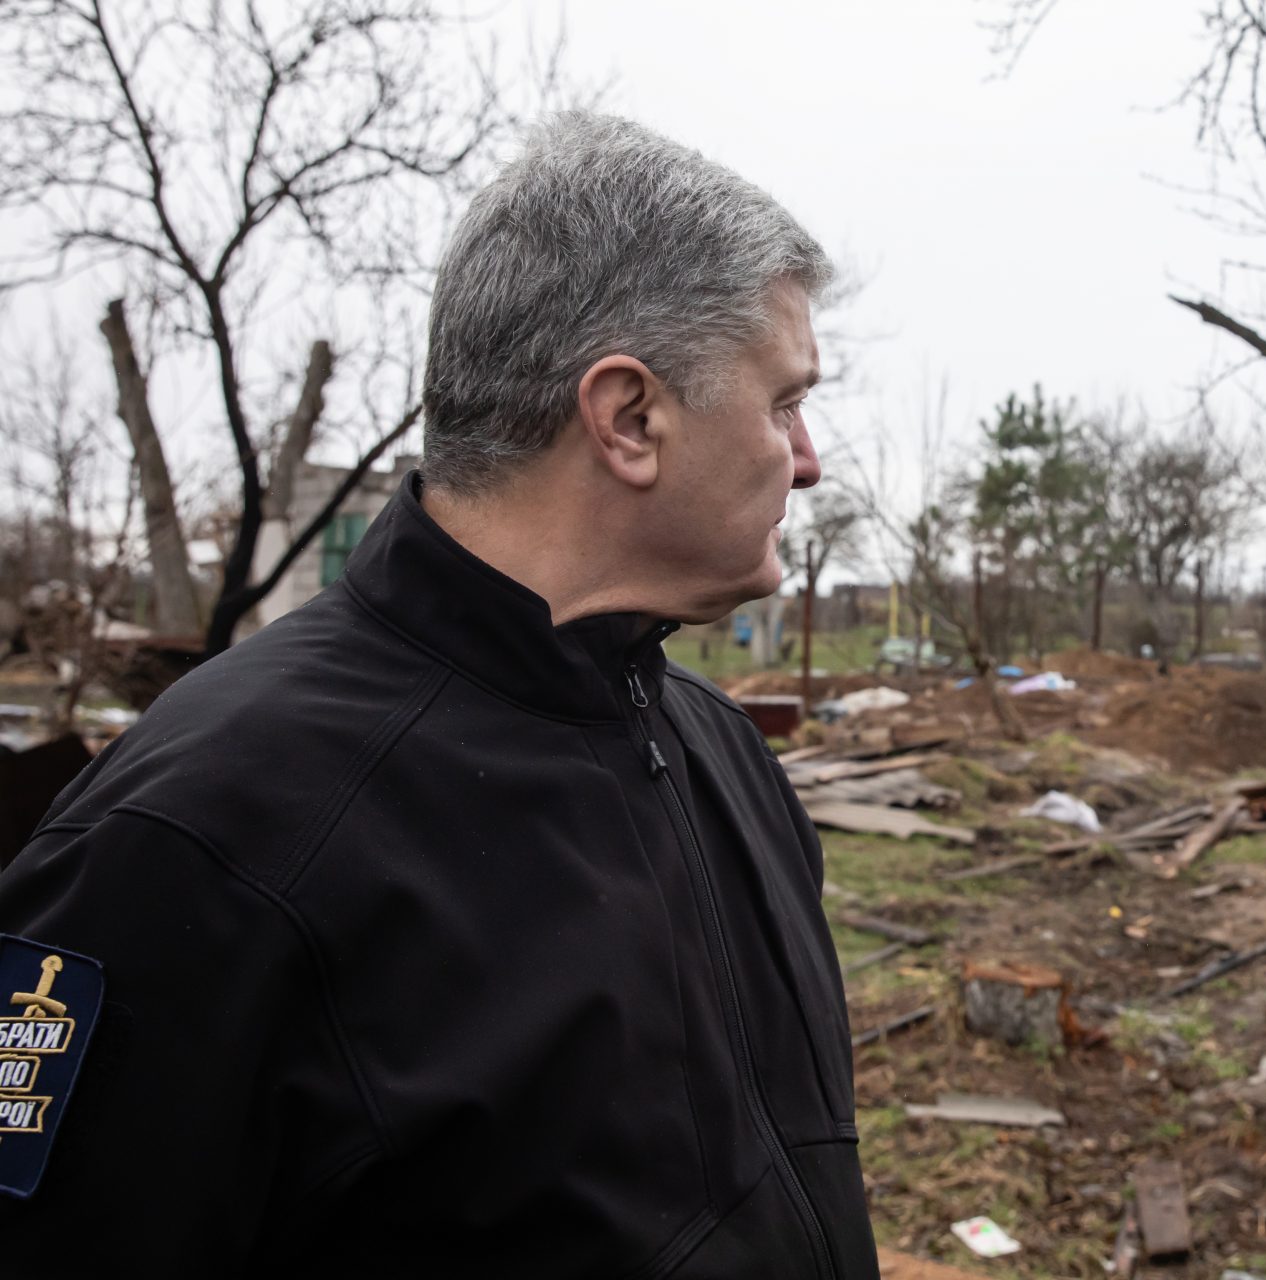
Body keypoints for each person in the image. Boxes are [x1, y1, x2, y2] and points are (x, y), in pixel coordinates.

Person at [0, 111, 880, 1279]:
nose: (807, 457)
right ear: (628, 418)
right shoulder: (199, 838)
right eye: (782, 401)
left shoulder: (724, 752)